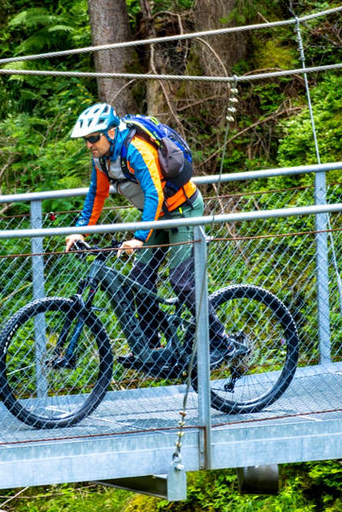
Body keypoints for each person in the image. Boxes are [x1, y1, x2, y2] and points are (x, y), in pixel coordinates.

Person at [64, 103, 242, 368]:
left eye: (93, 138)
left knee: (182, 281)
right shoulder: (101, 160)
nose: (89, 144)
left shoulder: (137, 149)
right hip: (157, 216)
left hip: (184, 210)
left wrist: (139, 237)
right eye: (85, 140)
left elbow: (154, 194)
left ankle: (222, 342)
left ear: (111, 133)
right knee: (139, 280)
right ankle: (152, 348)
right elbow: (96, 195)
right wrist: (79, 230)